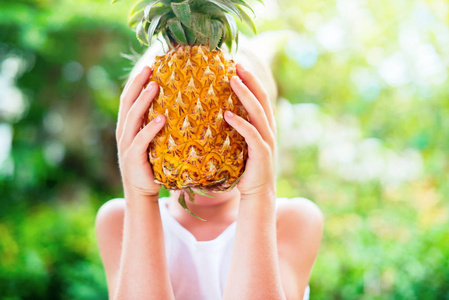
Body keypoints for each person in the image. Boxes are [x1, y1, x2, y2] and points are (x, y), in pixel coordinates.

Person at [95, 36, 323, 300]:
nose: (199, 145)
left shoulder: (293, 220)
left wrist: (259, 194)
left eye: (225, 124)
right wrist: (140, 197)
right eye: (178, 123)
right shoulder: (118, 220)